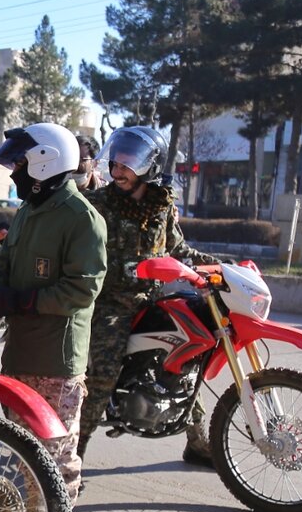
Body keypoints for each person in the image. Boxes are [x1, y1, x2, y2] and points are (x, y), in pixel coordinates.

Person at [0, 123, 107, 512]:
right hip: (21, 350)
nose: (15, 172)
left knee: (56, 456)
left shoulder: (82, 219)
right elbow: (4, 266)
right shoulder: (28, 211)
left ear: (45, 163)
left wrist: (21, 300)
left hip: (55, 360)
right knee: (24, 448)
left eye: (20, 163)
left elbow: (81, 291)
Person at [78, 125, 219, 468]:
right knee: (103, 373)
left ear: (150, 166)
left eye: (128, 161)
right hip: (110, 304)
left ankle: (198, 442)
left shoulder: (160, 206)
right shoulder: (96, 205)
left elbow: (178, 249)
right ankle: (72, 455)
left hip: (152, 300)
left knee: (186, 360)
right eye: (116, 160)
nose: (118, 168)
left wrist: (218, 267)